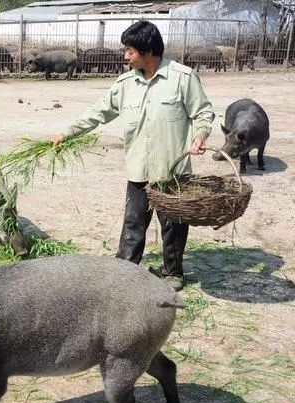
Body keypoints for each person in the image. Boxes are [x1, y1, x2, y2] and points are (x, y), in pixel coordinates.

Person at [51, 21, 215, 291]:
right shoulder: (125, 83)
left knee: (174, 225)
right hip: (139, 168)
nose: (125, 56)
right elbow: (98, 113)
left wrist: (200, 136)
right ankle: (124, 271)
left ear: (147, 51)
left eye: (129, 51)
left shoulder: (182, 78)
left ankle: (172, 273)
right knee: (133, 223)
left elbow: (203, 112)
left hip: (173, 172)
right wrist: (66, 134)